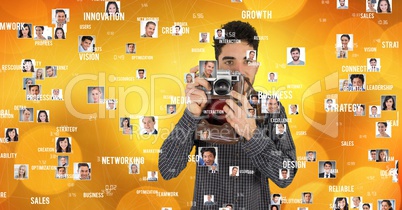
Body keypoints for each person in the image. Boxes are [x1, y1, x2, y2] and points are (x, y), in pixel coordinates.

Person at [158, 21, 296, 209]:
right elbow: (168, 169)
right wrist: (191, 115)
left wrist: (252, 134)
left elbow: (285, 176)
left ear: (256, 65)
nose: (239, 71)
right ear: (217, 65)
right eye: (230, 62)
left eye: (247, 61)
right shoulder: (203, 103)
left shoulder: (270, 107)